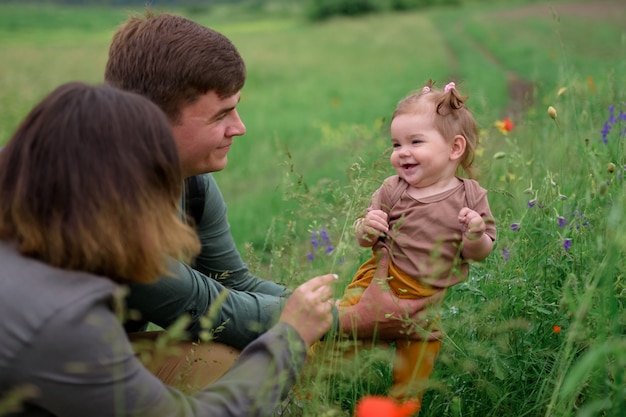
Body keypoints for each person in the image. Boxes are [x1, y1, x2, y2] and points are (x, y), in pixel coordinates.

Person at [102, 10, 445, 380]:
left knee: (276, 347)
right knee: (220, 363)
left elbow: (233, 283)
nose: (240, 127)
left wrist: (348, 306)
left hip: (105, 351)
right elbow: (207, 309)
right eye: (221, 116)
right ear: (150, 120)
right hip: (51, 377)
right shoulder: (104, 201)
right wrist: (349, 319)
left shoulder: (192, 184)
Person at [0, 81, 337, 416]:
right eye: (154, 183)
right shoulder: (61, 317)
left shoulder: (31, 238)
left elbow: (235, 281)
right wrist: (289, 338)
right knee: (219, 364)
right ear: (113, 194)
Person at [337, 80, 497, 411]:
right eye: (396, 144)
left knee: (414, 378)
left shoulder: (470, 196)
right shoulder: (393, 189)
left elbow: (479, 253)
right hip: (378, 282)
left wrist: (475, 235)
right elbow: (366, 237)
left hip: (427, 303)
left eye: (415, 142)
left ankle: (400, 408)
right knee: (339, 342)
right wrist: (366, 227)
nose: (401, 152)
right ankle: (309, 390)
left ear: (455, 148)